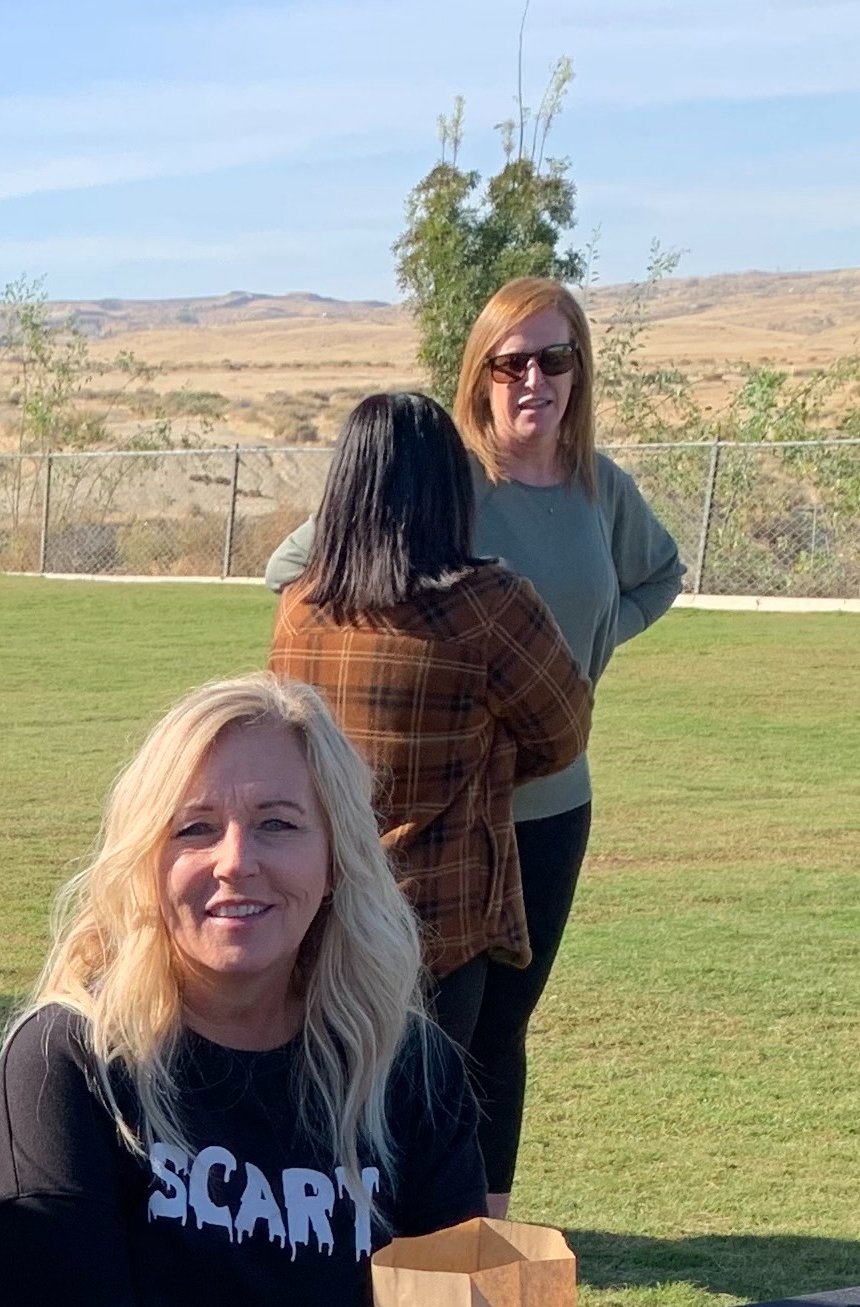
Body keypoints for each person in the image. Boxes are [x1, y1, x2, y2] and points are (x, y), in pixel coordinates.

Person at [0, 674, 484, 1307]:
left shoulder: (407, 1066)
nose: (236, 861)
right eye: (195, 828)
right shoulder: (66, 1061)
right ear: (146, 859)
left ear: (335, 857)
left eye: (278, 824)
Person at [267, 277, 679, 1207]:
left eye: (555, 359)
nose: (535, 378)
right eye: (513, 361)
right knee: (404, 1029)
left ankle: (475, 1224)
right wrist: (444, 697)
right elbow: (300, 569)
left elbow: (653, 581)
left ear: (579, 371)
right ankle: (409, 1224)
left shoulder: (597, 489)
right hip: (436, 811)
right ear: (481, 375)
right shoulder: (447, 479)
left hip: (546, 808)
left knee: (496, 1029)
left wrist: (588, 650)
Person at [270, 390, 589, 1054]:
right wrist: (484, 759)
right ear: (449, 487)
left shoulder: (299, 609)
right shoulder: (489, 606)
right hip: (441, 925)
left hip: (323, 912)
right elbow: (562, 732)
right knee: (438, 1120)